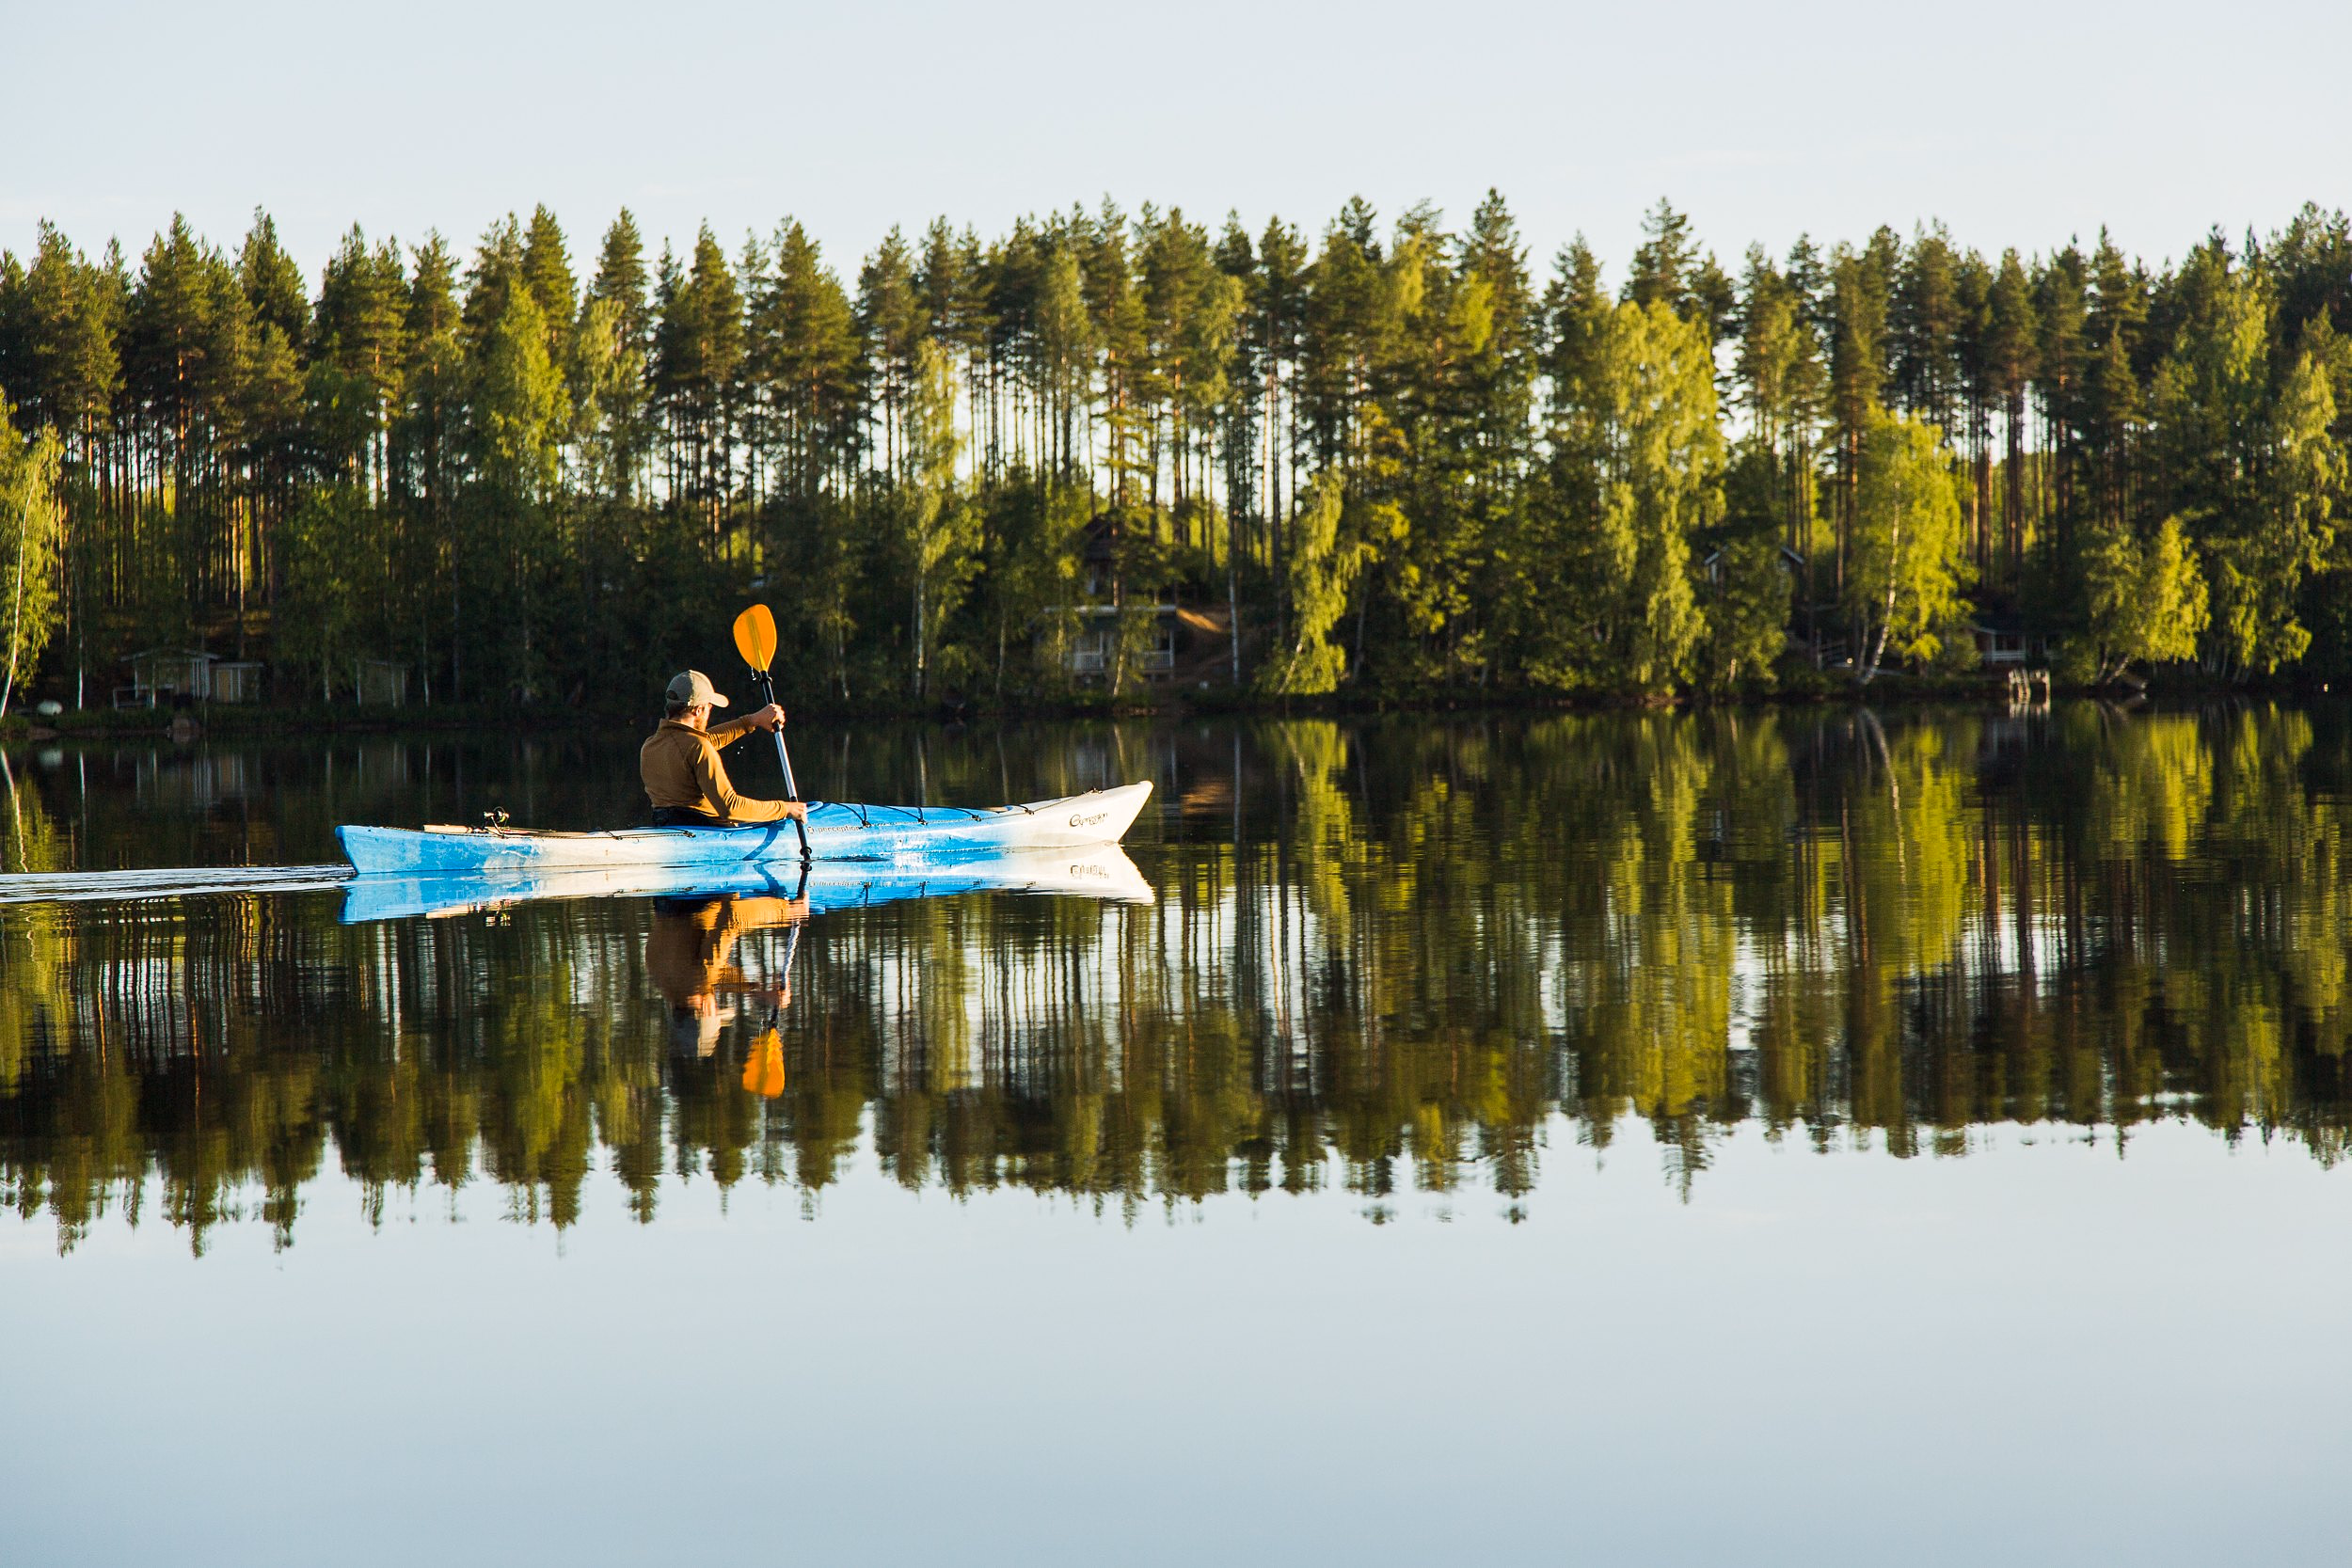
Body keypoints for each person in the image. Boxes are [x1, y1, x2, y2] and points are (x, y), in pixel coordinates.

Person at [640, 669, 810, 827]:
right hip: (708, 831)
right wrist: (786, 809)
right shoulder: (698, 747)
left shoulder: (650, 745)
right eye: (709, 707)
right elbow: (731, 808)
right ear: (698, 710)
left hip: (667, 825)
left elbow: (703, 742)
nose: (710, 711)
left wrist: (752, 720)